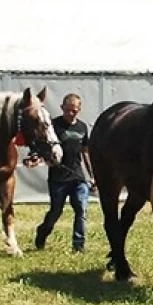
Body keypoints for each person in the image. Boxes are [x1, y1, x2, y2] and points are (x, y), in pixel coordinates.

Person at [35, 93, 95, 252]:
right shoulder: (53, 126)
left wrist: (92, 176)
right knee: (56, 212)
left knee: (81, 210)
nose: (71, 114)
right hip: (58, 178)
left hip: (78, 177)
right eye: (68, 110)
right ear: (62, 108)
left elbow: (85, 152)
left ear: (79, 110)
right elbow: (45, 147)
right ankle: (42, 232)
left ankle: (78, 245)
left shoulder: (82, 127)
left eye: (74, 111)